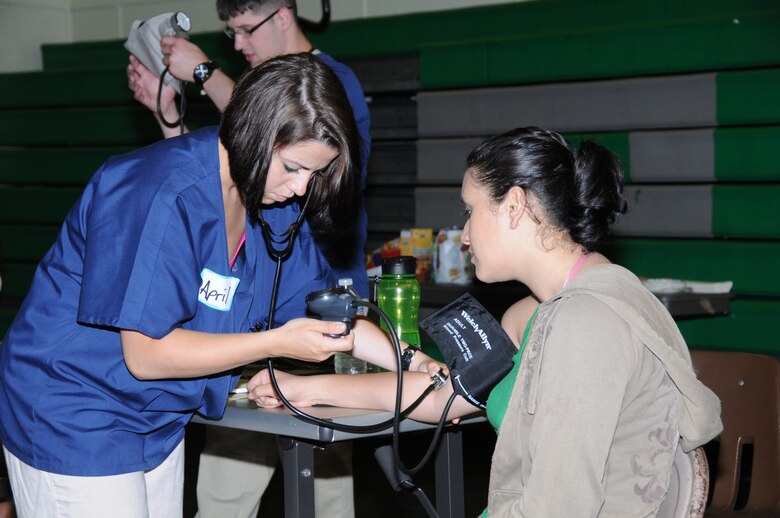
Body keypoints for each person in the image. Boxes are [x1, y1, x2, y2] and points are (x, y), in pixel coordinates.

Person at [247, 127, 724, 516]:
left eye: (471, 211)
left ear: (515, 206)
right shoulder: (537, 311)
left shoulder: (585, 327)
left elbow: (560, 509)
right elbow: (448, 395)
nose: (464, 235)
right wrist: (312, 388)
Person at [0, 53, 363, 517]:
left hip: (157, 415)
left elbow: (325, 308)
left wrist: (414, 366)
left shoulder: (271, 204)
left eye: (315, 174)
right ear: (255, 131)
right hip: (72, 406)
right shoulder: (157, 189)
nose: (301, 188)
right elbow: (147, 354)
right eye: (293, 167)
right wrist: (274, 342)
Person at [127, 2, 371, 515]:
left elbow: (260, 127)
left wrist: (200, 71)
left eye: (246, 28)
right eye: (230, 33)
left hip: (314, 301)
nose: (238, 44)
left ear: (282, 14)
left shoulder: (328, 85)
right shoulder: (252, 160)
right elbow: (216, 179)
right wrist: (169, 119)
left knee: (324, 487)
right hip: (245, 309)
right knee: (225, 488)